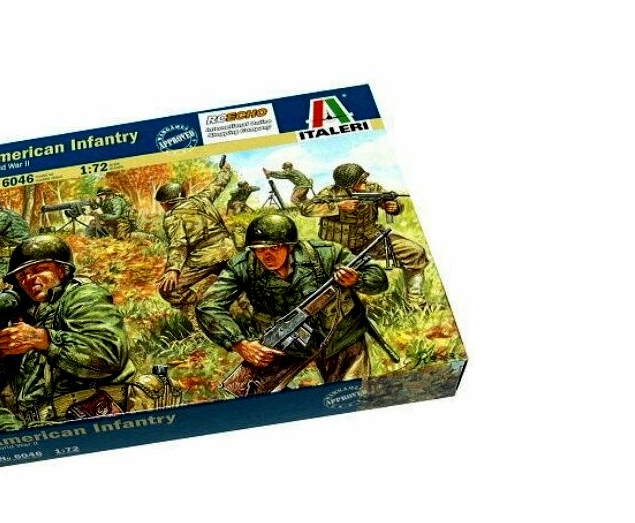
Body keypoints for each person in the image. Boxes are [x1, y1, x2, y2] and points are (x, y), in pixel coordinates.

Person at [196, 214, 388, 395]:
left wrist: (357, 279)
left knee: (351, 394)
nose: (267, 255)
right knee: (254, 395)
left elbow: (377, 278)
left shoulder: (327, 253)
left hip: (339, 334)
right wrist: (240, 343)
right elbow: (208, 305)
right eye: (260, 249)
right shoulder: (243, 266)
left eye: (275, 248)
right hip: (283, 342)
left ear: (290, 246)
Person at [0, 235, 138, 424]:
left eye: (38, 270)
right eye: (22, 276)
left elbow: (110, 356)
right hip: (39, 425)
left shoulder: (83, 296)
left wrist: (44, 340)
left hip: (97, 416)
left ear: (62, 270)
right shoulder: (22, 313)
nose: (29, 279)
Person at [299, 163, 430, 308]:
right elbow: (306, 209)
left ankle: (415, 302)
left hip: (371, 239)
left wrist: (394, 207)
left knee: (414, 252)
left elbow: (391, 202)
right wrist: (338, 207)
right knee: (334, 277)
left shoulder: (373, 189)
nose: (366, 182)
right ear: (348, 184)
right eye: (361, 181)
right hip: (339, 247)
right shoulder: (330, 193)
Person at [154, 159, 237, 328]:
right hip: (229, 250)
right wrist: (225, 170)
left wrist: (173, 269)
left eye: (162, 204)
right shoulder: (202, 198)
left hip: (204, 258)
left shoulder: (172, 217)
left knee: (168, 289)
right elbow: (219, 184)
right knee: (239, 281)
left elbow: (178, 243)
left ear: (166, 203)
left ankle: (197, 320)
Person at [90, 187, 156, 241]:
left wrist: (102, 215)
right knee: (93, 223)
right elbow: (104, 210)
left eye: (101, 195)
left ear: (106, 194)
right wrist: (95, 206)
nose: (99, 197)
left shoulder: (116, 201)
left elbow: (116, 215)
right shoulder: (107, 201)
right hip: (115, 221)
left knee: (122, 236)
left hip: (123, 221)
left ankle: (149, 237)